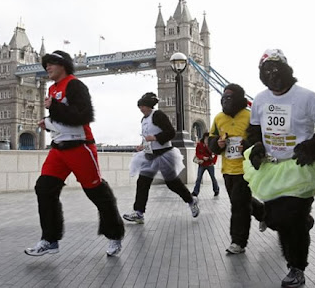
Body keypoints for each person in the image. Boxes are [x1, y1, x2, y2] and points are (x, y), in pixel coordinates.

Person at [243, 49, 315, 288]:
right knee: (277, 218)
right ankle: (303, 221)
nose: (273, 75)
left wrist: (314, 145)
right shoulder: (259, 99)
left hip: (301, 167)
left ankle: (296, 267)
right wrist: (257, 147)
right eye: (267, 71)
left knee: (292, 219)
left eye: (278, 69)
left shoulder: (307, 97)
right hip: (272, 168)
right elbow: (254, 130)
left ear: (288, 71)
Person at [24, 50, 124, 257]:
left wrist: (55, 108)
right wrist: (48, 122)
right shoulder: (52, 89)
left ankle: (115, 235)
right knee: (44, 188)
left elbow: (83, 116)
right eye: (45, 65)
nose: (47, 68)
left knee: (96, 192)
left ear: (63, 65)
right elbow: (62, 119)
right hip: (58, 148)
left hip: (80, 147)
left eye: (51, 63)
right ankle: (50, 240)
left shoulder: (75, 85)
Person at [123, 92, 199, 224]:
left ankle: (191, 201)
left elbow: (170, 133)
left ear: (149, 106)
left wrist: (156, 138)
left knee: (172, 183)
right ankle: (139, 213)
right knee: (142, 182)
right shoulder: (143, 120)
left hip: (164, 154)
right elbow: (147, 137)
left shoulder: (158, 115)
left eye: (143, 106)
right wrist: (142, 146)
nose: (141, 109)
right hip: (150, 154)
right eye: (140, 107)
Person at [208, 83, 265, 255]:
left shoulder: (250, 116)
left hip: (246, 169)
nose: (226, 99)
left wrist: (246, 146)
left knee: (239, 205)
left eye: (230, 96)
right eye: (224, 96)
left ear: (239, 98)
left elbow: (260, 141)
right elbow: (211, 141)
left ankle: (238, 242)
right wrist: (217, 144)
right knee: (239, 201)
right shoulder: (218, 118)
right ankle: (264, 214)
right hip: (227, 169)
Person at [192, 132, 219, 197]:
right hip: (202, 163)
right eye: (206, 138)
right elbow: (197, 153)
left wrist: (213, 162)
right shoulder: (199, 144)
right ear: (204, 138)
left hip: (210, 164)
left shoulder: (212, 145)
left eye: (208, 138)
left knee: (213, 178)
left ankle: (216, 190)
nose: (207, 139)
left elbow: (216, 153)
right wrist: (203, 157)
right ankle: (195, 192)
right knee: (199, 178)